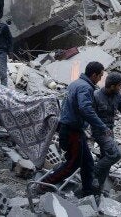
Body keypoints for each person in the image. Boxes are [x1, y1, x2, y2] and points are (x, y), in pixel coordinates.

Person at [41, 62, 111, 197]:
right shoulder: (86, 88)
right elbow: (85, 109)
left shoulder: (76, 83)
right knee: (72, 164)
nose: (101, 79)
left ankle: (87, 192)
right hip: (72, 131)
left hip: (72, 129)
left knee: (88, 162)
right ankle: (43, 185)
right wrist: (102, 126)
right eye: (100, 76)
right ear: (94, 75)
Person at [92, 73, 121, 189]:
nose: (120, 88)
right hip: (99, 131)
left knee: (106, 158)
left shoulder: (117, 96)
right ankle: (93, 172)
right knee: (116, 155)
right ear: (112, 86)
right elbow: (89, 115)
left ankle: (98, 188)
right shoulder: (96, 96)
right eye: (119, 85)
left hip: (110, 131)